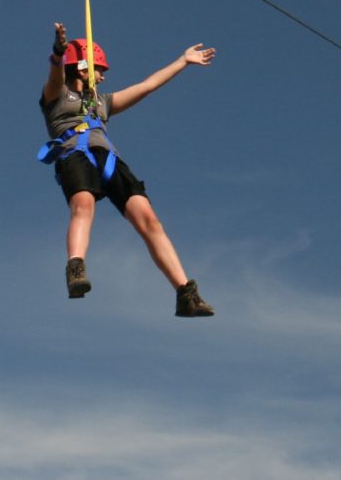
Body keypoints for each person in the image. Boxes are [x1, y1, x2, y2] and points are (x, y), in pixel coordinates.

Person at [38, 22, 216, 318]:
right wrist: (58, 51)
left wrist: (182, 62)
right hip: (75, 155)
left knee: (149, 220)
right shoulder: (56, 96)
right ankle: (76, 267)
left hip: (109, 160)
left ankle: (185, 293)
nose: (104, 75)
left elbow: (146, 86)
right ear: (81, 67)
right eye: (99, 68)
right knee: (83, 204)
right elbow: (55, 75)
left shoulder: (102, 102)